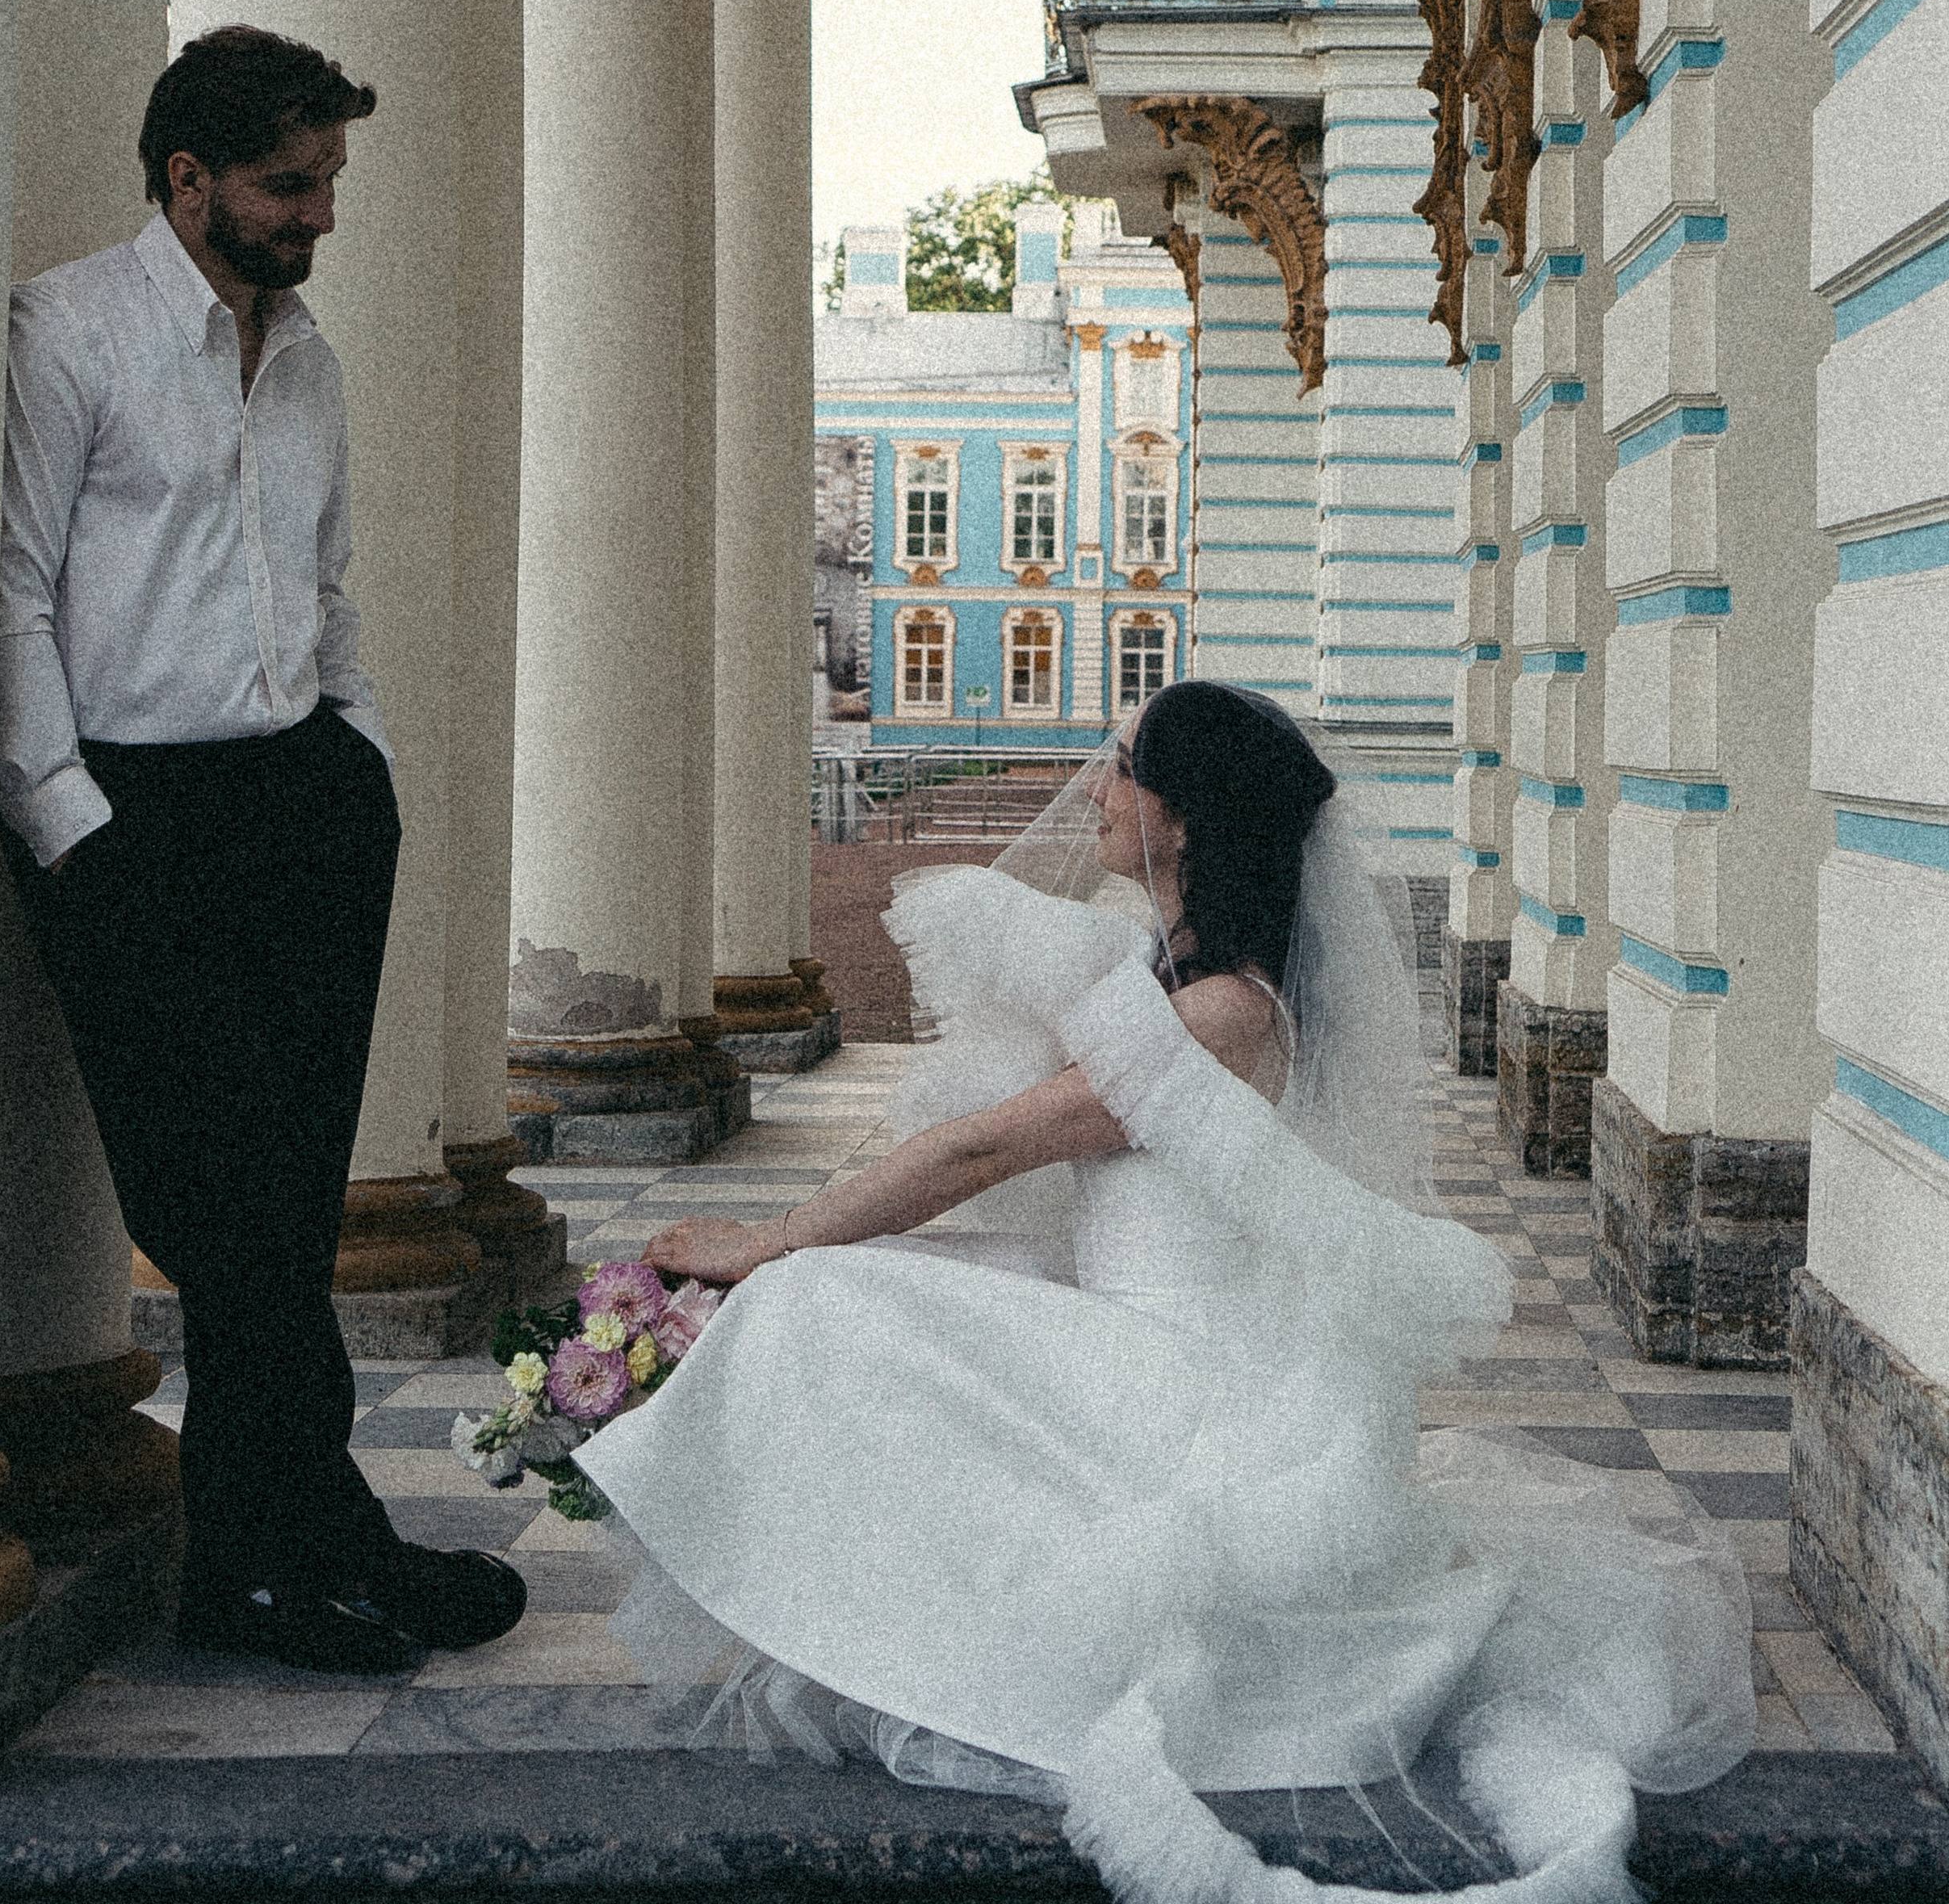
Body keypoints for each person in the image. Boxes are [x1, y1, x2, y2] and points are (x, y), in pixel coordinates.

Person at [576, 683, 1755, 1904]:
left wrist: (768, 1238)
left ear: (1182, 821)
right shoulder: (1172, 980)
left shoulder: (1219, 1016)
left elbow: (981, 1151)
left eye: (1123, 766)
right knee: (877, 1290)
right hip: (1134, 1340)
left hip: (1186, 1385)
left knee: (818, 1303)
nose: (1093, 786)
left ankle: (889, 1625)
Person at [0, 24, 525, 1676]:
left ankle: (296, 1549)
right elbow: (7, 592)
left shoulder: (308, 360)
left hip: (300, 807)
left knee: (284, 1220)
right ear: (189, 179)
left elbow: (325, 581)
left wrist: (352, 753)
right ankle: (274, 1560)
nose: (320, 216)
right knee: (219, 1219)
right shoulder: (65, 334)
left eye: (327, 182)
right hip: (133, 826)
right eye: (291, 185)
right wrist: (71, 827)